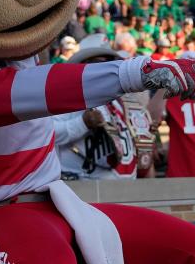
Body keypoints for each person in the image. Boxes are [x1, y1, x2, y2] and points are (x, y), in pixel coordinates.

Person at [54, 37, 139, 180]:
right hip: (83, 189)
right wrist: (82, 123)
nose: (107, 68)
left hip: (121, 190)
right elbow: (48, 133)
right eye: (100, 63)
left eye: (110, 63)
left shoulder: (117, 100)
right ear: (83, 66)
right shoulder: (66, 96)